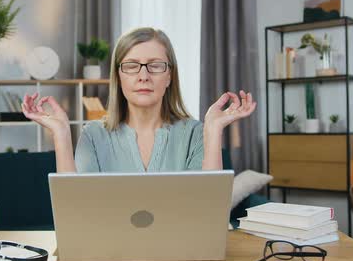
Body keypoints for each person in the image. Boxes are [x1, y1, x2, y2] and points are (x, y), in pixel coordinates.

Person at [22, 27, 256, 173]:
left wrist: (213, 130)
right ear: (119, 76)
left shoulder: (195, 133)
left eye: (155, 66)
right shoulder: (93, 135)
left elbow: (209, 209)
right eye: (132, 66)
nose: (143, 76)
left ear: (169, 76)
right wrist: (61, 133)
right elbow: (74, 210)